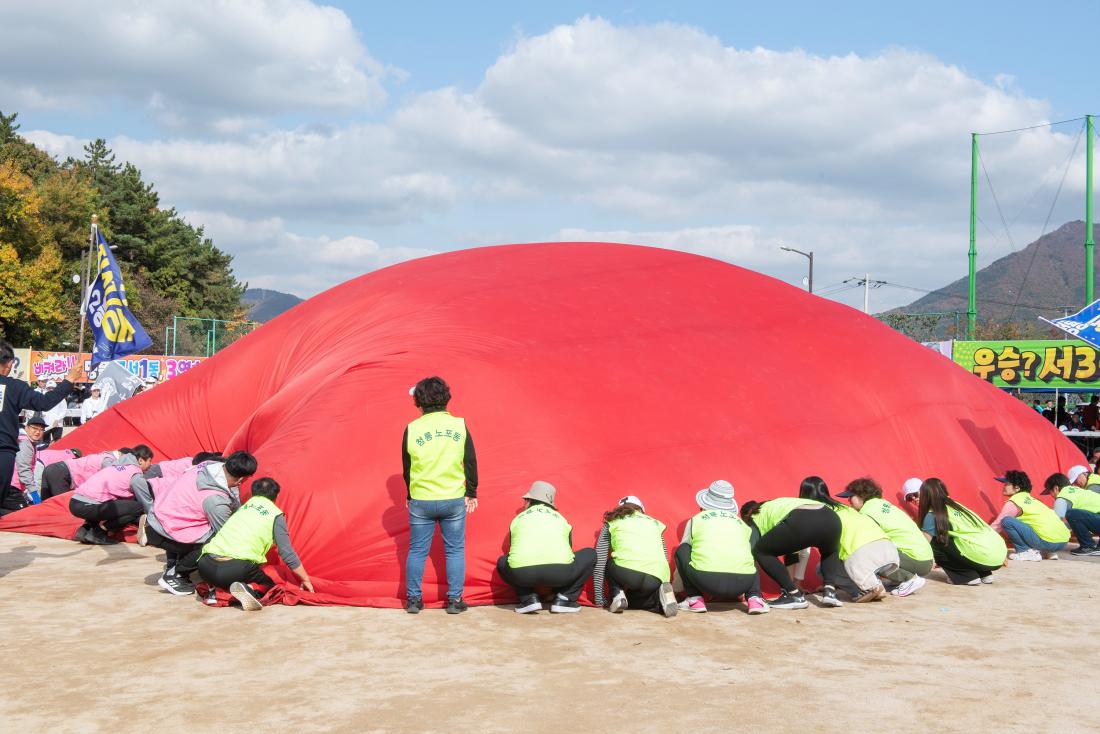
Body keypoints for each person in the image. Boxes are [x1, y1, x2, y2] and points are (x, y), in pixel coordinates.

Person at [402, 377, 477, 614]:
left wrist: (409, 493)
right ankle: (454, 601)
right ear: (446, 397)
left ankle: (414, 600)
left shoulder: (412, 429)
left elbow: (407, 467)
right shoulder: (459, 425)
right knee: (454, 550)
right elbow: (470, 461)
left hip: (421, 499)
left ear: (419, 401)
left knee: (416, 551)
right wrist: (471, 492)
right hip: (453, 497)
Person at [144, 450, 257, 596]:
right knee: (215, 541)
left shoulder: (208, 465)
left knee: (196, 526)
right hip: (164, 529)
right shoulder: (215, 500)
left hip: (160, 514)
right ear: (241, 479)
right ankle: (176, 574)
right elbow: (226, 533)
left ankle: (174, 561)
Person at [197, 477, 314, 611]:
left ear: (253, 493)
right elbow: (286, 552)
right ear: (276, 496)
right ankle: (248, 589)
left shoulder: (242, 508)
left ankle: (215, 589)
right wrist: (305, 579)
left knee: (228, 574)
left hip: (205, 566)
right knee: (270, 585)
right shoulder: (275, 514)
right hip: (234, 569)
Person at [495, 481, 596, 614]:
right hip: (561, 574)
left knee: (503, 562)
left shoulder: (518, 519)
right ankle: (564, 598)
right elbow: (568, 549)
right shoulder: (561, 519)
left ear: (529, 500)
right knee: (591, 554)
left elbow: (514, 548)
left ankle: (528, 599)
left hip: (522, 574)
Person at [0, 341, 79, 504]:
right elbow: (44, 402)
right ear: (9, 364)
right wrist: (69, 379)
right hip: (3, 450)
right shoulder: (14, 387)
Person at [799, 477, 900, 602]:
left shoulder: (816, 511)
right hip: (890, 551)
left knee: (821, 569)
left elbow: (804, 549)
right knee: (840, 564)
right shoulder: (844, 508)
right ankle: (868, 588)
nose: (848, 500)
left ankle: (871, 587)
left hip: (863, 553)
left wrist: (796, 583)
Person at [674, 480, 768, 614]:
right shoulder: (741, 524)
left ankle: (694, 599)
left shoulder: (696, 519)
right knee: (747, 554)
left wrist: (676, 590)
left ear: (705, 503)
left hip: (706, 581)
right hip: (743, 582)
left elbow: (682, 553)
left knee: (682, 548)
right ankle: (754, 599)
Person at [741, 493, 843, 610]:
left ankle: (793, 595)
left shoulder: (754, 517)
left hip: (803, 520)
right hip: (831, 517)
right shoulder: (777, 505)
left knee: (760, 552)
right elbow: (792, 548)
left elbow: (750, 552)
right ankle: (830, 592)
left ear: (747, 516)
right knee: (830, 551)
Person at [838, 477, 932, 596]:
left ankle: (909, 579)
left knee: (868, 552)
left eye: (851, 496)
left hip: (916, 561)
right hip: (924, 559)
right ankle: (899, 579)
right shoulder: (882, 504)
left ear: (861, 495)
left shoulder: (867, 512)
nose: (849, 500)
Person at [592, 495, 677, 617]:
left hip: (626, 573)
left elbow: (600, 558)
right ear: (641, 510)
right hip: (656, 576)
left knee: (610, 562)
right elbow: (663, 555)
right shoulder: (655, 523)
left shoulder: (612, 522)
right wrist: (665, 581)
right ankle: (660, 600)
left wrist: (599, 599)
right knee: (635, 600)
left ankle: (617, 595)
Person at [918, 478, 1007, 585]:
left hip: (983, 556)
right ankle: (984, 574)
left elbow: (923, 543)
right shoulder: (958, 506)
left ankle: (966, 576)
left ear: (925, 496)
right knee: (958, 542)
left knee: (935, 544)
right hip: (997, 555)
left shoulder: (932, 514)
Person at [68, 446, 154, 545]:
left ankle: (84, 530)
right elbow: (146, 503)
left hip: (74, 502)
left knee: (107, 500)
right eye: (149, 461)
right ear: (140, 460)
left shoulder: (115, 466)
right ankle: (99, 532)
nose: (150, 465)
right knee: (138, 507)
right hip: (88, 505)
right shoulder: (135, 475)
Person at [989, 470, 1069, 561]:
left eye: (1007, 483)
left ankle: (1025, 552)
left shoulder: (1015, 501)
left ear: (1017, 488)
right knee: (1032, 523)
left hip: (1047, 542)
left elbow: (997, 525)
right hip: (1062, 542)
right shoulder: (1034, 501)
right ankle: (1050, 552)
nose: (1004, 486)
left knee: (1006, 521)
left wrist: (981, 537)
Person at [1042, 472, 1100, 556]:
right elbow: (1074, 523)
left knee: (1071, 514)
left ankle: (1088, 546)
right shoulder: (1078, 491)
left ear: (1056, 488)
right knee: (1074, 516)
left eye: (1050, 492)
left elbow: (1056, 523)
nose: (1051, 496)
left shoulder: (1062, 497)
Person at [41, 449, 119, 500]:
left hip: (49, 468)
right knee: (64, 505)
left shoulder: (100, 455)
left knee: (44, 505)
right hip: (60, 473)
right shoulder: (108, 460)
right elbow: (111, 476)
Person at [12, 412, 47, 503]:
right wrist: (34, 493)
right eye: (34, 428)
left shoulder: (29, 443)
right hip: (12, 487)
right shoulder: (25, 444)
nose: (38, 432)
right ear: (27, 428)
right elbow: (24, 469)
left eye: (41, 429)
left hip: (16, 486)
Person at [39, 380, 68, 445]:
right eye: (49, 388)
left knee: (57, 442)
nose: (51, 389)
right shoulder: (43, 398)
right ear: (46, 388)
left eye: (52, 388)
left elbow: (64, 411)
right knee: (45, 443)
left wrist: (57, 419)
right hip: (46, 424)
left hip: (57, 424)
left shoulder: (61, 398)